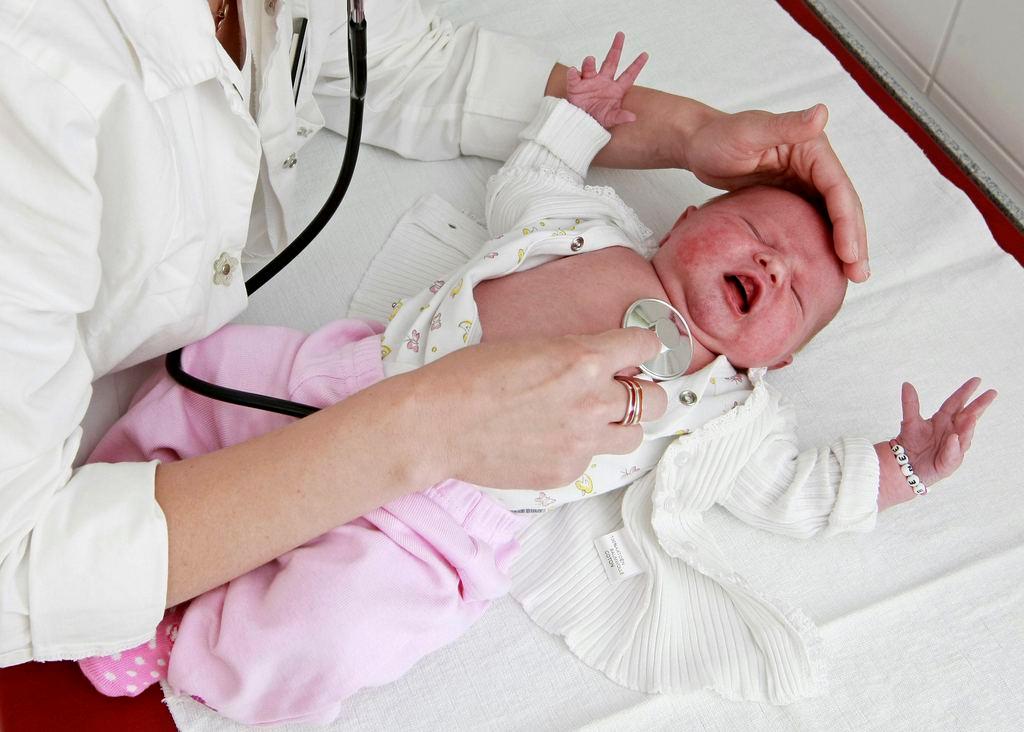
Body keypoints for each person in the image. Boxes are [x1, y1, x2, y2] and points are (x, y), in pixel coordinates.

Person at [74, 35, 993, 723]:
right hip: (361, 376)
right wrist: (579, 116)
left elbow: (793, 488)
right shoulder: (588, 223)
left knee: (347, 622)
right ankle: (110, 519)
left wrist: (900, 468)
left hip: (444, 519)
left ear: (778, 362)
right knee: (213, 380)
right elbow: (530, 175)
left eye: (793, 294)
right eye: (758, 238)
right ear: (690, 218)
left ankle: (196, 646)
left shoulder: (725, 407)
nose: (774, 268)